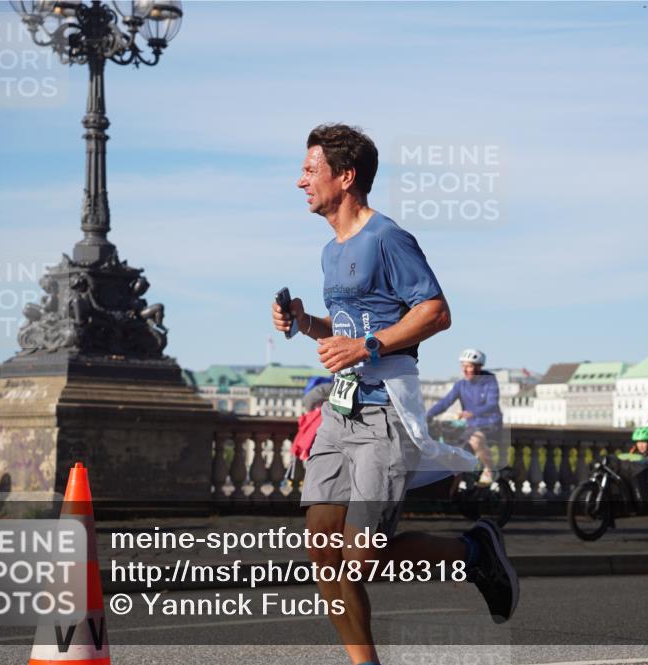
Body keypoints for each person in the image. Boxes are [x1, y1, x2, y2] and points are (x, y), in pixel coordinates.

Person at [272, 124, 518, 665]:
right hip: (340, 412)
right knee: (322, 552)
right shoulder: (329, 252)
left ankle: (474, 550)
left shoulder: (387, 238)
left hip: (385, 408)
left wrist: (368, 347)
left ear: (346, 176)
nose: (300, 181)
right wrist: (304, 322)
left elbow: (436, 311)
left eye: (311, 171)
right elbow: (344, 328)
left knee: (360, 560)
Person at [426, 349, 503, 484]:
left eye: (469, 366)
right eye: (463, 366)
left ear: (479, 367)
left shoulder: (489, 381)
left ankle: (491, 470)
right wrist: (428, 415)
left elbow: (492, 404)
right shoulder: (460, 385)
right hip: (470, 425)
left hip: (490, 424)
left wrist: (472, 412)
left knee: (475, 439)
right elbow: (445, 402)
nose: (465, 370)